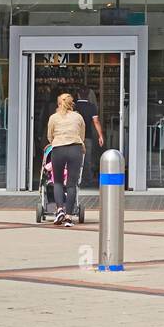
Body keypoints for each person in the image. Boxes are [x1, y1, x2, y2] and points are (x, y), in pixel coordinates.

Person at [46, 92, 85, 226]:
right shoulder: (78, 117)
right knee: (71, 184)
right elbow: (82, 135)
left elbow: (50, 136)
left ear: (58, 104)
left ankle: (60, 209)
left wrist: (56, 141)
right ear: (71, 104)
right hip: (75, 149)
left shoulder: (53, 118)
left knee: (57, 182)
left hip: (58, 149)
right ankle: (69, 216)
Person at [74, 86, 104, 185]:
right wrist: (100, 135)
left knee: (75, 159)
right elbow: (96, 122)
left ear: (78, 95)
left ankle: (76, 179)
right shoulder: (92, 107)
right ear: (88, 95)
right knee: (88, 160)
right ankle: (88, 180)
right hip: (88, 136)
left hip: (75, 136)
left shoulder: (74, 106)